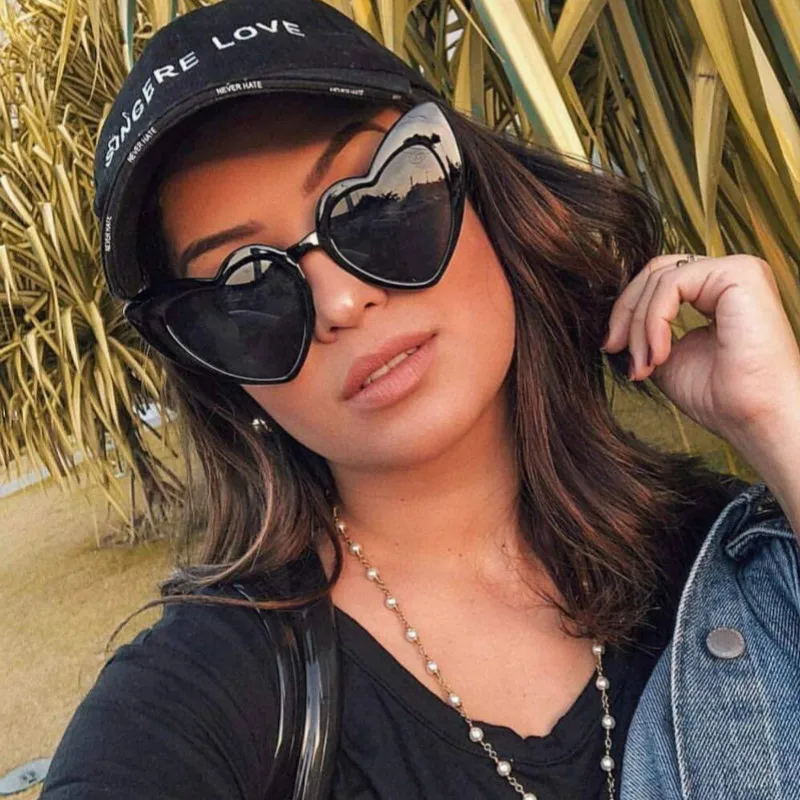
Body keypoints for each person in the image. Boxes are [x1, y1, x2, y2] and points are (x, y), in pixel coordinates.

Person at [41, 0, 800, 798]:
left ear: (480, 190)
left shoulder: (735, 552)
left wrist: (780, 420)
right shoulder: (201, 699)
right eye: (246, 287)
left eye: (378, 200)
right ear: (219, 371)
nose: (339, 302)